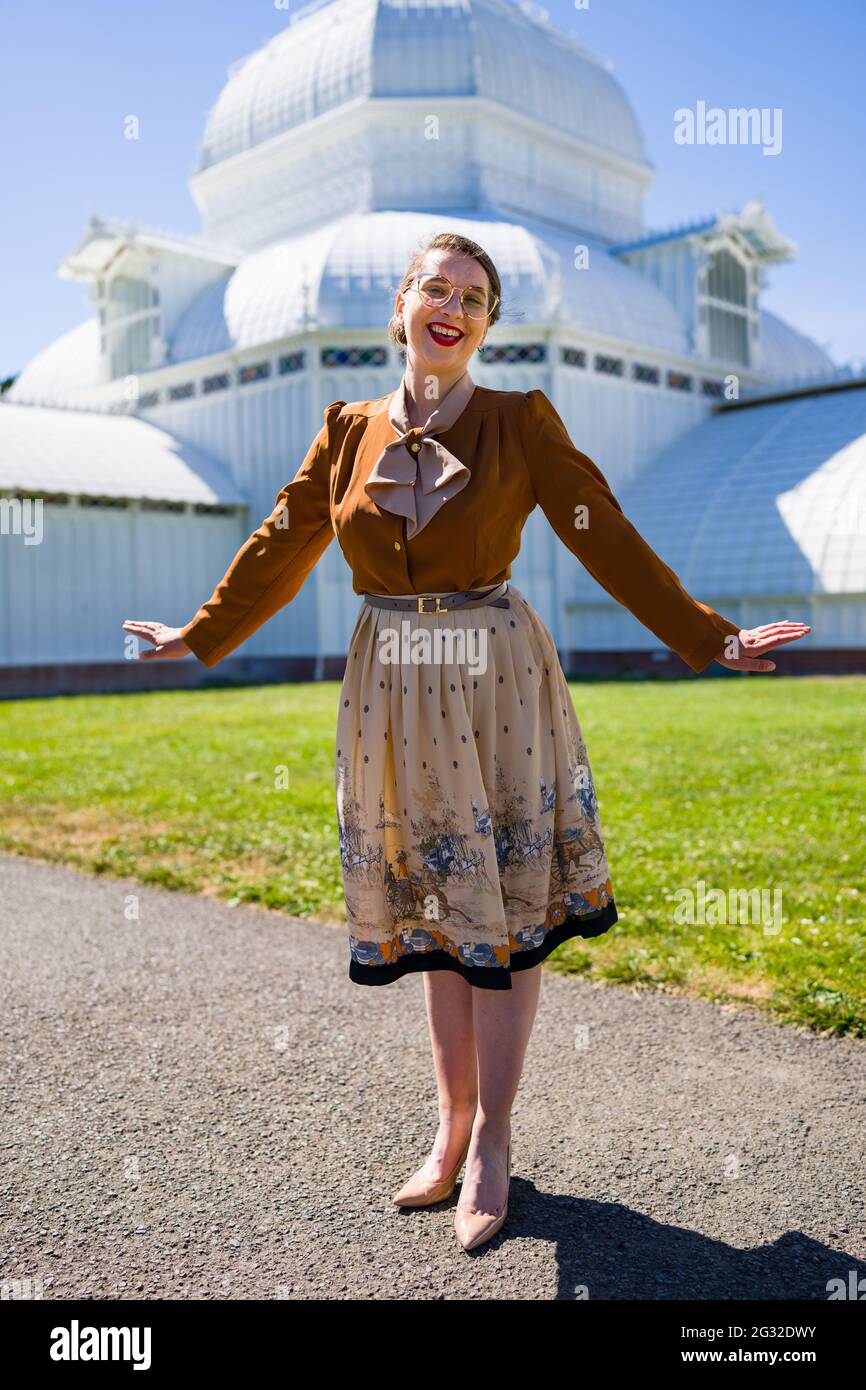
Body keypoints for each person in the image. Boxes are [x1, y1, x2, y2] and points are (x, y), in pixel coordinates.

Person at [123, 232, 811, 1251]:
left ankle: (493, 1135)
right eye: (436, 289)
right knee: (436, 904)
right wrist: (203, 630)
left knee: (502, 903)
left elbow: (601, 530)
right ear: (401, 304)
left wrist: (709, 635)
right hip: (389, 684)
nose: (452, 308)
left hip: (491, 675)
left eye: (475, 299)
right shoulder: (346, 428)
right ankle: (447, 1130)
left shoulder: (515, 421)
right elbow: (283, 536)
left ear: (487, 325)